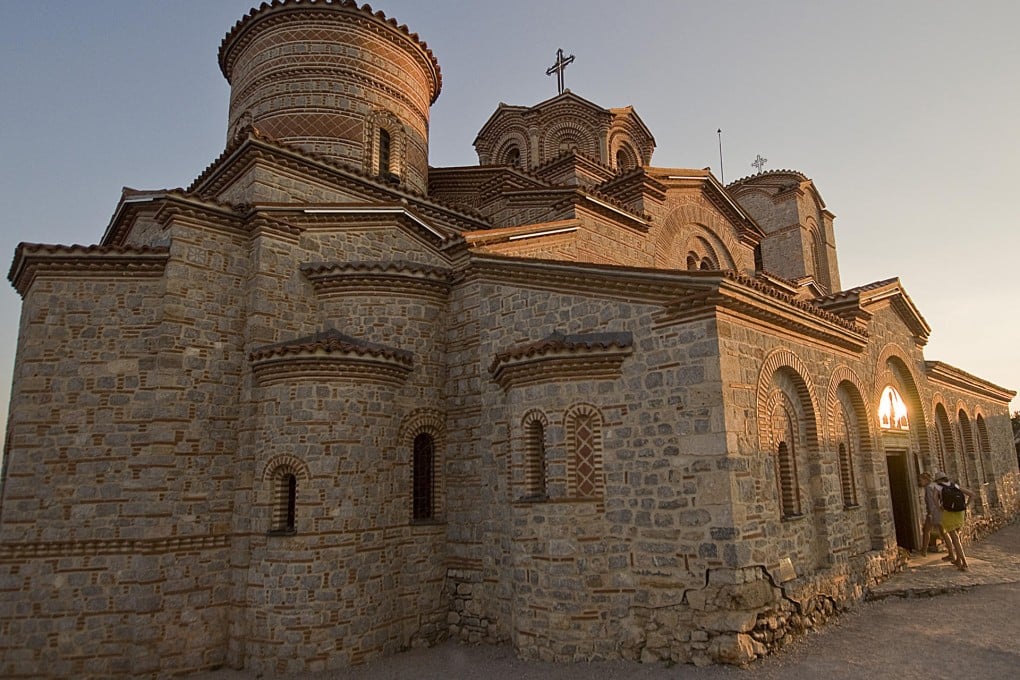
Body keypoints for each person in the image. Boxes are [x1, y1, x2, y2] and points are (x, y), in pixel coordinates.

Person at [935, 472, 976, 571]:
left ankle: (964, 563)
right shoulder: (954, 485)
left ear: (937, 480)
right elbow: (972, 494)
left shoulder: (938, 487)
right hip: (960, 513)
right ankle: (958, 560)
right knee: (957, 538)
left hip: (949, 514)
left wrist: (940, 508)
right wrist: (966, 505)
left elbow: (935, 500)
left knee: (955, 539)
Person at [918, 471, 953, 560]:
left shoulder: (929, 488)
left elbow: (932, 502)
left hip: (934, 512)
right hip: (940, 511)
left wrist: (930, 514)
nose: (920, 483)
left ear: (926, 480)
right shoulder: (935, 486)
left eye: (921, 480)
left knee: (929, 530)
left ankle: (924, 551)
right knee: (942, 532)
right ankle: (951, 552)